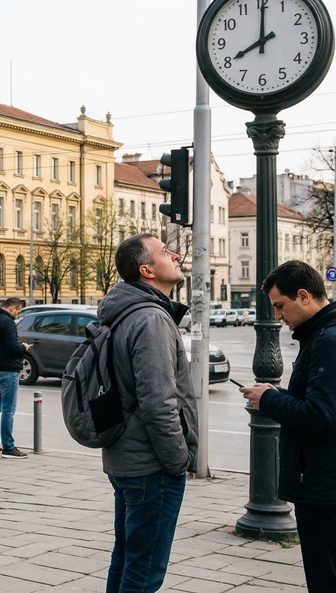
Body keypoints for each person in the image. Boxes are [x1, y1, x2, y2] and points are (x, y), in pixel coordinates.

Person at [240, 261, 336, 592]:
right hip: (333, 480)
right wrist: (278, 394)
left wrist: (269, 401)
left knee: (333, 583)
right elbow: (325, 404)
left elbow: (322, 417)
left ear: (303, 296)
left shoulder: (332, 340)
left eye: (280, 306)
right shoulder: (332, 333)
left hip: (331, 486)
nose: (278, 316)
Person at [97, 233, 197, 592]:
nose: (174, 255)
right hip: (151, 465)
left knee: (126, 560)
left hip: (127, 458)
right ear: (147, 270)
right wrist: (179, 460)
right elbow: (159, 403)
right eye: (164, 252)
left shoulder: (124, 312)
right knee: (144, 571)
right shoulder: (151, 318)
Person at [0, 296, 31, 459]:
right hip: (9, 371)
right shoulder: (8, 322)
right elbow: (12, 347)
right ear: (13, 308)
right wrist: (23, 347)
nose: (18, 314)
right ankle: (8, 447)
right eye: (18, 311)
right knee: (8, 409)